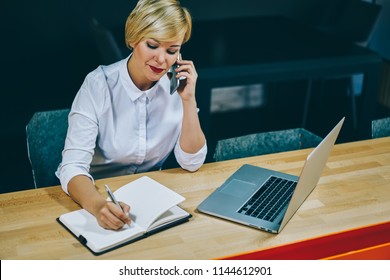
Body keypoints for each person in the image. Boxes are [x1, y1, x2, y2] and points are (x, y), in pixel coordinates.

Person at [56, 0, 207, 230]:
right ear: (134, 39)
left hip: (148, 201)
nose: (161, 59)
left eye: (171, 50)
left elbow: (191, 162)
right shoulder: (99, 84)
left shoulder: (176, 86)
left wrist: (188, 100)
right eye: (153, 45)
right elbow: (72, 167)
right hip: (93, 198)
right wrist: (98, 206)